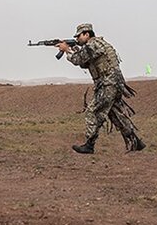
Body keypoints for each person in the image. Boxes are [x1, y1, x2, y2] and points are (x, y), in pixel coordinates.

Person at [56, 23, 145, 154]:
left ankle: (89, 145)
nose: (78, 39)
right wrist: (74, 49)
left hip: (108, 84)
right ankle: (136, 142)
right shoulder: (99, 44)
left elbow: (78, 60)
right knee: (116, 114)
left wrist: (67, 50)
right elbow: (86, 63)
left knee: (93, 111)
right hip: (113, 84)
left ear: (87, 34)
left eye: (79, 36)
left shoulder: (93, 45)